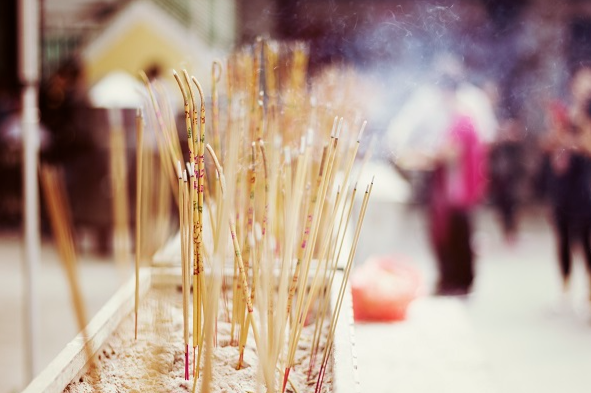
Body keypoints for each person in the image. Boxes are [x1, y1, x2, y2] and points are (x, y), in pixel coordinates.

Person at [387, 54, 494, 295]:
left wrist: (422, 156)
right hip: (449, 186)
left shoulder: (466, 113)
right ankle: (451, 279)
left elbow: (453, 151)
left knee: (458, 235)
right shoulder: (442, 106)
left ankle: (458, 281)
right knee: (445, 234)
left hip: (459, 188)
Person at [543, 65, 591, 305]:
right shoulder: (566, 112)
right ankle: (565, 288)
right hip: (564, 183)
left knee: (585, 237)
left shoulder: (585, 115)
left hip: (585, 182)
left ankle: (589, 292)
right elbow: (550, 143)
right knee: (562, 235)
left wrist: (577, 132)